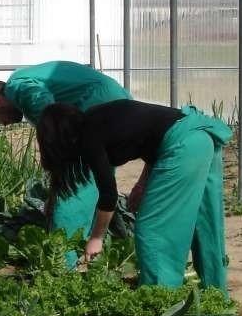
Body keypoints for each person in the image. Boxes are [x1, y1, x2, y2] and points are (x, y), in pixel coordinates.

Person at [36, 99, 230, 295]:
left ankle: (161, 302)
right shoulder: (97, 117)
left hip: (183, 145)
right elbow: (153, 137)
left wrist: (96, 238)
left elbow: (108, 194)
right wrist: (142, 184)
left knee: (153, 230)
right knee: (204, 222)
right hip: (200, 136)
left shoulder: (88, 138)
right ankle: (216, 295)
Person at [0, 62, 131, 261]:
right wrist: (53, 192)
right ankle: (89, 250)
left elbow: (47, 108)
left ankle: (62, 262)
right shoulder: (24, 82)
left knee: (76, 184)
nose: (4, 124)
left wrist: (58, 191)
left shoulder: (16, 86)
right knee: (96, 181)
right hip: (114, 101)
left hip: (98, 104)